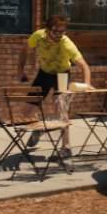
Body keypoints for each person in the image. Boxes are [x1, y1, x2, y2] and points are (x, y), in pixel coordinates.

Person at [16, 15, 92, 154]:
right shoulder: (38, 36)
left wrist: (87, 84)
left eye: (62, 32)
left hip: (62, 75)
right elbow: (24, 50)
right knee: (26, 111)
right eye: (55, 31)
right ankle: (38, 130)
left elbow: (84, 66)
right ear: (47, 30)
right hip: (44, 73)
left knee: (61, 109)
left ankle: (66, 147)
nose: (59, 35)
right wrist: (20, 71)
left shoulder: (66, 43)